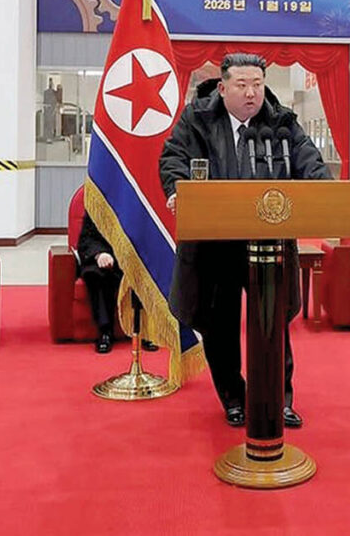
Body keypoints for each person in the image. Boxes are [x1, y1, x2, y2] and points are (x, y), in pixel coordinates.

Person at [159, 53, 332, 428]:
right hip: (214, 243)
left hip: (269, 242)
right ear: (223, 88)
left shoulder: (281, 122)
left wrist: (324, 191)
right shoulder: (197, 119)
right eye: (241, 85)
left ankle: (277, 398)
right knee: (219, 326)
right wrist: (176, 189)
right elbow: (173, 158)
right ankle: (233, 398)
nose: (251, 93)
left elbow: (311, 163)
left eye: (257, 84)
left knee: (272, 325)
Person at [77, 210, 160, 355]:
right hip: (105, 258)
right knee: (94, 274)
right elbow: (86, 239)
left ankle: (146, 331)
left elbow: (148, 235)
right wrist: (99, 254)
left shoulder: (137, 204)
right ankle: (105, 332)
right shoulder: (96, 203)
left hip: (133, 257)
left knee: (148, 271)